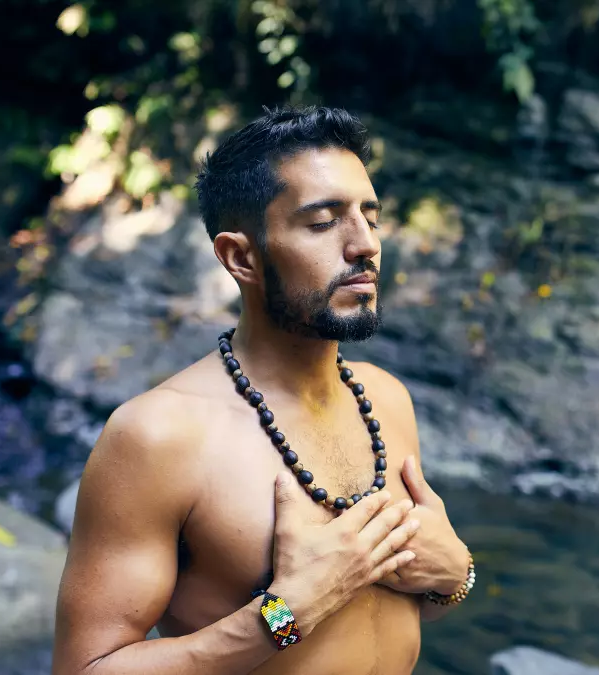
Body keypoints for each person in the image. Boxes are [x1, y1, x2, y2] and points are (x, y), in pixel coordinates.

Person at [53, 106, 474, 675]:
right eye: (324, 222)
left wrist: (455, 576)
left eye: (370, 218)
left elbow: (385, 612)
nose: (365, 246)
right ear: (242, 257)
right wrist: (284, 615)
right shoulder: (160, 436)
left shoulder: (386, 398)